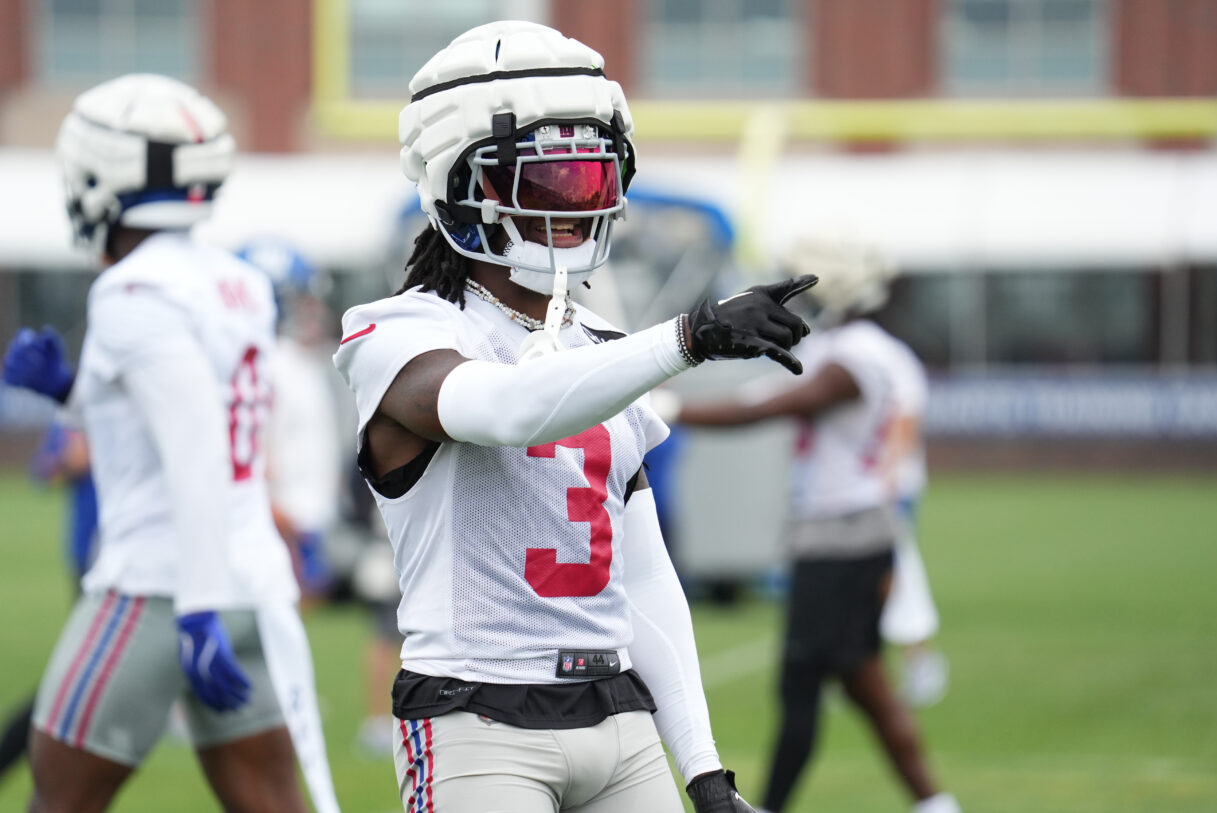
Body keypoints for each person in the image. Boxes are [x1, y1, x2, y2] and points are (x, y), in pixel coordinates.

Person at [333, 20, 815, 813]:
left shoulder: (603, 350)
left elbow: (643, 575)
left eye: (593, 179)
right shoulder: (399, 330)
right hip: (475, 718)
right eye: (548, 181)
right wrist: (688, 338)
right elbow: (503, 406)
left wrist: (703, 768)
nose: (576, 203)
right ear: (464, 182)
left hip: (617, 718)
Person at [1, 74, 337, 813]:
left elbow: (194, 446)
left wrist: (195, 609)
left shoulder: (131, 291)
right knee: (272, 802)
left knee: (55, 800)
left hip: (164, 588)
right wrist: (69, 393)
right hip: (255, 585)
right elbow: (184, 412)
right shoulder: (239, 282)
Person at [669, 233, 960, 813]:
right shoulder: (850, 346)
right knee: (860, 679)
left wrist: (672, 409)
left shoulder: (856, 355)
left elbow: (769, 408)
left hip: (844, 536)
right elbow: (764, 397)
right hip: (845, 531)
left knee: (800, 683)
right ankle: (935, 803)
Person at [237, 240, 344, 602]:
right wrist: (286, 525)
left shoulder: (296, 361)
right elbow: (252, 459)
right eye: (301, 299)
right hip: (280, 530)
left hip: (302, 527)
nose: (312, 310)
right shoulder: (267, 365)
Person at [0, 421, 98, 782]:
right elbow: (43, 472)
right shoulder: (78, 409)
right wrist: (70, 461)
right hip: (93, 562)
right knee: (77, 678)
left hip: (146, 564)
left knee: (82, 677)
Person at [878, 335, 950, 709]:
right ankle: (857, 668)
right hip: (857, 492)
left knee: (896, 573)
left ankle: (921, 663)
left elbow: (906, 419)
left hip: (886, 489)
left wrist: (886, 477)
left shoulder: (887, 355)